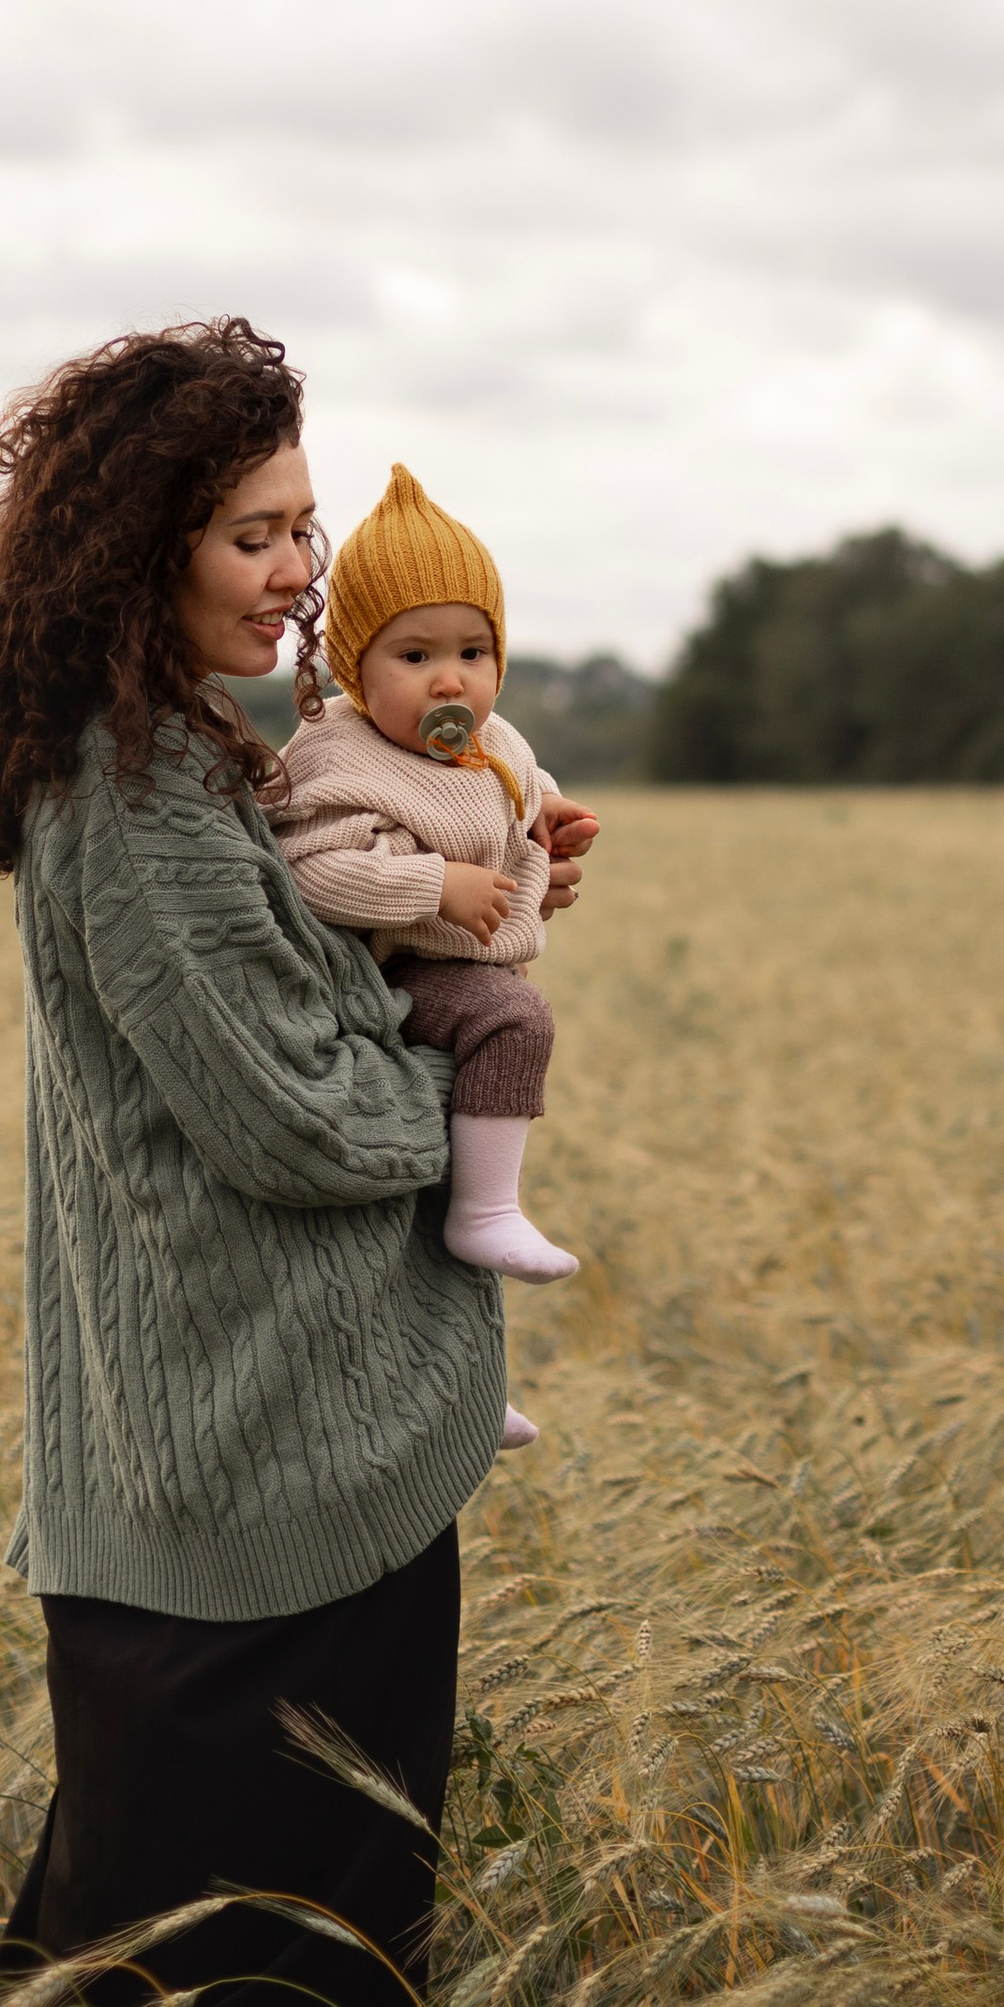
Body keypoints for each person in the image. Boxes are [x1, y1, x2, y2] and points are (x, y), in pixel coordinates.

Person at [0, 317, 570, 2007]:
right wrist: (453, 1072)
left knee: (171, 1948)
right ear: (144, 551)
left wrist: (448, 954)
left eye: (302, 528)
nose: (299, 576)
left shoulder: (185, 766)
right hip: (254, 1476)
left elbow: (312, 1001)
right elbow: (301, 1120)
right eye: (251, 536)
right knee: (264, 1980)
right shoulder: (140, 803)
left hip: (253, 1462)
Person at [274, 467, 602, 1458]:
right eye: (414, 655)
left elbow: (514, 783)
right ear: (354, 669)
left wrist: (547, 815)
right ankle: (493, 1209)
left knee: (426, 1222)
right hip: (383, 982)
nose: (450, 681)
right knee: (515, 1022)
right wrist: (432, 887)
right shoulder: (338, 755)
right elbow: (311, 870)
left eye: (473, 651)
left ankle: (462, 1389)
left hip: (458, 970)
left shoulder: (488, 741)